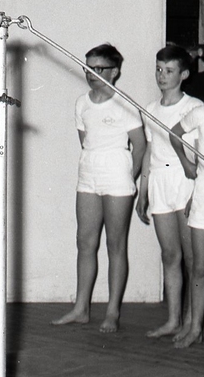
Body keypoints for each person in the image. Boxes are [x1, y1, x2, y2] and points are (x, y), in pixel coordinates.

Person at [52, 44, 145, 332]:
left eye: (99, 68)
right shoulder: (82, 103)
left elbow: (140, 146)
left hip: (117, 177)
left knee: (115, 245)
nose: (91, 73)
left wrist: (127, 176)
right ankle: (81, 308)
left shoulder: (125, 104)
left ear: (114, 72)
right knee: (85, 242)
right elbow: (86, 141)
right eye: (88, 67)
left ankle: (112, 312)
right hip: (88, 174)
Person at [136, 45, 201, 340]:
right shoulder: (150, 109)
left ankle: (191, 323)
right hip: (160, 181)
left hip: (185, 180)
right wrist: (143, 190)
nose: (162, 76)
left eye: (169, 71)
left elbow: (199, 153)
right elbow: (150, 150)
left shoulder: (194, 107)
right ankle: (174, 320)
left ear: (183, 74)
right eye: (159, 70)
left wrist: (196, 192)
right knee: (170, 254)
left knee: (192, 259)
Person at [171, 95, 204, 348]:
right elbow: (174, 133)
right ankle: (195, 328)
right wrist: (187, 163)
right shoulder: (202, 114)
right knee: (200, 267)